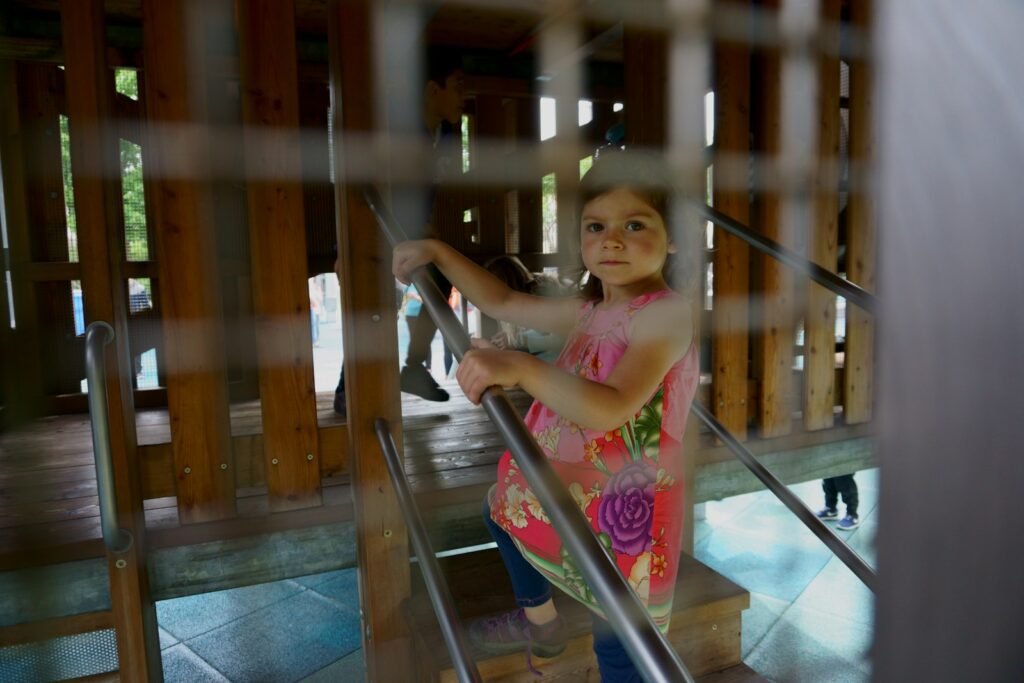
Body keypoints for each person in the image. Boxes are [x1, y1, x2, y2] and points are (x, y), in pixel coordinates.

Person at [392, 150, 700, 680]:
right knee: (501, 509)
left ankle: (559, 634)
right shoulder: (588, 309)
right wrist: (441, 253)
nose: (612, 240)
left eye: (634, 224)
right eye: (596, 226)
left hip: (630, 507)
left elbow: (613, 406)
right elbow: (505, 299)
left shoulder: (666, 313)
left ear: (673, 237)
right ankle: (544, 624)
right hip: (571, 484)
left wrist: (519, 367)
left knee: (621, 645)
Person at [334, 46, 466, 414]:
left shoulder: (448, 134)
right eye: (457, 86)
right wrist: (345, 250)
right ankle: (349, 389)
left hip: (411, 238)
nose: (464, 97)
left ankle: (412, 369)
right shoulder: (396, 131)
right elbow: (362, 190)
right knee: (375, 309)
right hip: (372, 236)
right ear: (431, 90)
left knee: (439, 282)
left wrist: (431, 231)